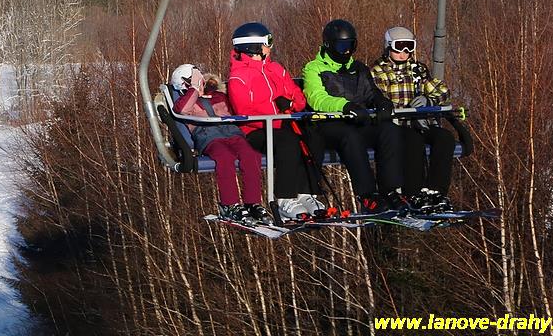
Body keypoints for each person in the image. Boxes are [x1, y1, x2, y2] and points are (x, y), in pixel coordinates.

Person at [226, 22, 327, 222]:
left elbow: (298, 97)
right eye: (267, 42)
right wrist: (276, 112)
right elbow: (243, 109)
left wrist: (291, 104)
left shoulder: (276, 69)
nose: (270, 47)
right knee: (288, 142)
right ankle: (284, 199)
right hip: (256, 130)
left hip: (283, 122)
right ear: (253, 46)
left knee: (313, 136)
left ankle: (306, 193)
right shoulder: (239, 77)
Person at [303, 19, 406, 213]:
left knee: (389, 130)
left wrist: (381, 102)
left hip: (358, 121)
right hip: (329, 125)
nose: (347, 51)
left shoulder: (359, 68)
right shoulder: (314, 68)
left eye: (351, 46)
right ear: (329, 45)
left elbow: (370, 92)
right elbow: (317, 98)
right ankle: (367, 195)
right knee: (351, 136)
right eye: (342, 46)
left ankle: (390, 190)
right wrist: (344, 106)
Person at [171, 63, 270, 225]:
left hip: (232, 134)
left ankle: (252, 202)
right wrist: (194, 89)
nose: (201, 82)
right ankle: (229, 204)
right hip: (209, 138)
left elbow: (236, 105)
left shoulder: (219, 96)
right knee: (224, 157)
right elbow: (182, 110)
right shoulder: (184, 102)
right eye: (195, 80)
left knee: (251, 155)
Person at [370, 26, 456, 212]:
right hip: (396, 126)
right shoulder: (379, 72)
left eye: (409, 47)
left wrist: (428, 100)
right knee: (413, 140)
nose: (404, 52)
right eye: (399, 47)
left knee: (445, 138)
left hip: (420, 123)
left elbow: (443, 92)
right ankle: (413, 192)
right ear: (388, 47)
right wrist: (406, 109)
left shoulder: (418, 70)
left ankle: (436, 192)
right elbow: (379, 100)